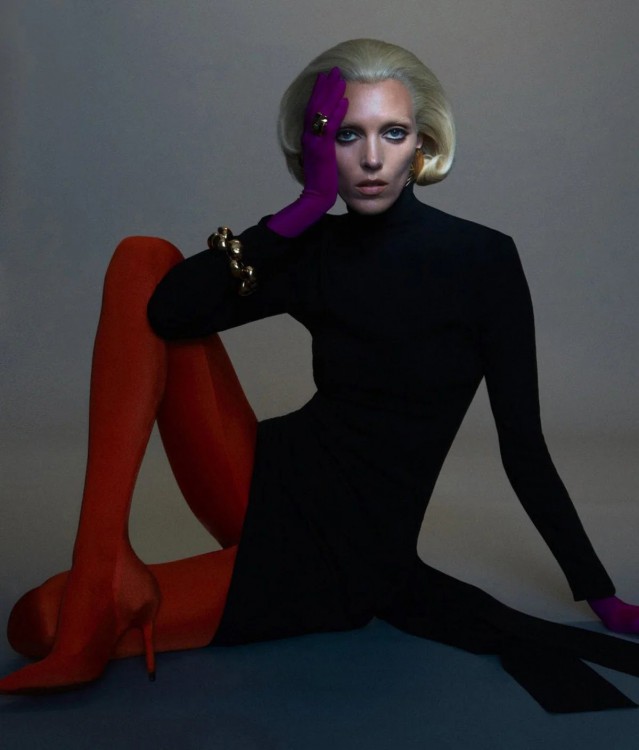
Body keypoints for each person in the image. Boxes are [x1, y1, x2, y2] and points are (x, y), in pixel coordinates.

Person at [1, 38, 638, 711]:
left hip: (343, 556)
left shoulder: (482, 260)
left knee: (36, 622)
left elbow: (523, 447)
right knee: (143, 257)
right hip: (261, 477)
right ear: (317, 148)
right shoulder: (313, 247)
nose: (371, 158)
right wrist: (305, 206)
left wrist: (599, 594)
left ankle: (96, 595)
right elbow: (167, 311)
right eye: (346, 135)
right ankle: (103, 565)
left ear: (422, 144)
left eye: (392, 133)